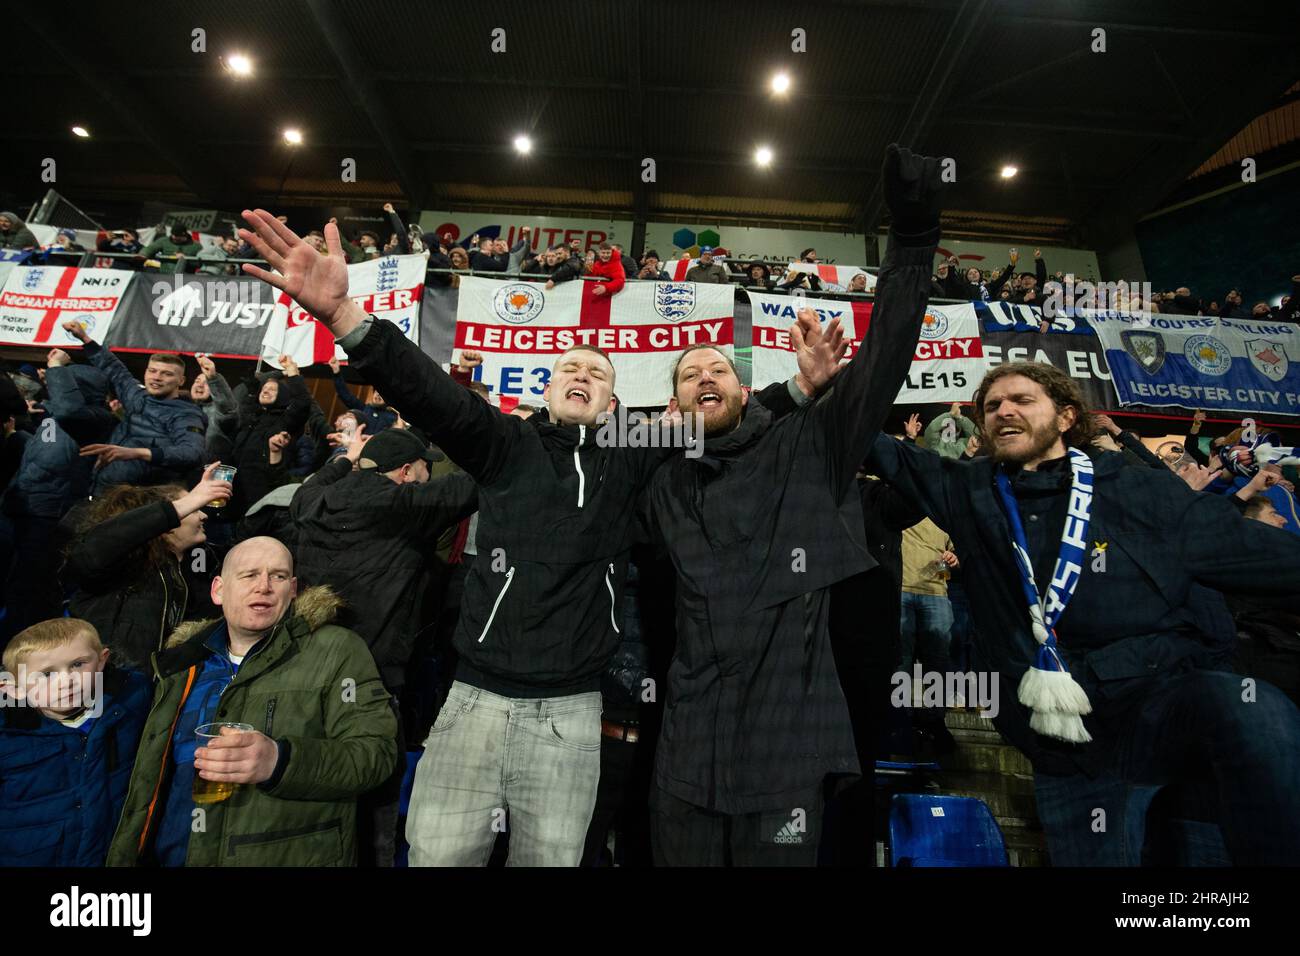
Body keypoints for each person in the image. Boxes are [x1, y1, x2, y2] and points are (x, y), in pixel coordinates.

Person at [233, 206, 817, 867]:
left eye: (597, 375)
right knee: (436, 858)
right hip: (473, 704)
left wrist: (799, 387)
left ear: (614, 406)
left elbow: (721, 420)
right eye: (570, 367)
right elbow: (429, 394)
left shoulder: (631, 452)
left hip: (570, 715)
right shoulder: (504, 444)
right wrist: (345, 319)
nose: (581, 376)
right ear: (545, 386)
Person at [867, 360, 1300, 865]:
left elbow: (1257, 555)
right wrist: (822, 387)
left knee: (1252, 711)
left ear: (1067, 416)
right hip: (1067, 750)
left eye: (1022, 400)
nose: (1004, 410)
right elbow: (880, 449)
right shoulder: (967, 490)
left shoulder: (1140, 491)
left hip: (1162, 709)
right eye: (991, 406)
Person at [642, 144, 944, 865]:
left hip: (785, 757)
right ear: (673, 403)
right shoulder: (655, 480)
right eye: (689, 375)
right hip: (684, 757)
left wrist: (912, 239)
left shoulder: (809, 450)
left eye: (718, 368)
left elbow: (884, 361)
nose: (704, 376)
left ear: (748, 393)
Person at [105, 536, 398, 866]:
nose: (264, 587)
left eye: (278, 576)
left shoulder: (336, 649)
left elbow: (376, 755)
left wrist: (279, 760)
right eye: (248, 575)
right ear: (218, 590)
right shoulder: (179, 663)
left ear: (294, 590)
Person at [290, 426, 477, 866]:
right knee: (374, 806)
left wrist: (346, 458)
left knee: (312, 797)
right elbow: (475, 482)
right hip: (372, 682)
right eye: (425, 469)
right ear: (408, 471)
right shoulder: (403, 505)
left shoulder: (312, 500)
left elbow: (316, 481)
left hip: (304, 673)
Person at [0, 618, 151, 866]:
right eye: (47, 674)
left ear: (102, 660)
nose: (67, 680)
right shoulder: (8, 737)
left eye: (78, 664)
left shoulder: (134, 700)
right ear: (13, 688)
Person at [62, 464, 230, 674]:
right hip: (106, 689)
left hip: (146, 693)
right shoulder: (124, 566)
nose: (203, 515)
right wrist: (184, 504)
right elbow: (90, 552)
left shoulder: (189, 569)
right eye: (194, 509)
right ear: (164, 525)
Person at [2, 348, 116, 634]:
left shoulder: (91, 419)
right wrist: (19, 438)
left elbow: (69, 411)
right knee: (15, 585)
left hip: (49, 518)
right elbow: (46, 453)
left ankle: (23, 650)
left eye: (63, 380)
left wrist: (55, 366)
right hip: (22, 510)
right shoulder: (54, 419)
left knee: (31, 590)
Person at [62, 321, 207, 494]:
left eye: (167, 374)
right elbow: (115, 370)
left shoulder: (187, 414)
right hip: (104, 491)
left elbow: (192, 453)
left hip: (143, 499)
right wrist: (85, 339)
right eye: (152, 371)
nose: (157, 377)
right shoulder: (137, 396)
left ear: (181, 381)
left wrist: (138, 453)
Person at [328, 355, 397, 433]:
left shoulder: (394, 417)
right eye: (377, 392)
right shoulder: (363, 409)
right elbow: (345, 395)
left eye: (382, 394)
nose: (378, 395)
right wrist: (336, 372)